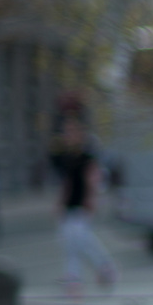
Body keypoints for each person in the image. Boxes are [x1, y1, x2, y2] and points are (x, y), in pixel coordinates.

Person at [51, 108, 118, 294]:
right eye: (66, 132)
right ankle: (76, 278)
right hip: (69, 204)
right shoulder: (67, 156)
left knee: (81, 239)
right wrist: (60, 202)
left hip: (82, 203)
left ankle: (102, 267)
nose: (67, 135)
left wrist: (91, 199)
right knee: (70, 242)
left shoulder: (87, 154)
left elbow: (93, 178)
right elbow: (67, 182)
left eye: (71, 131)